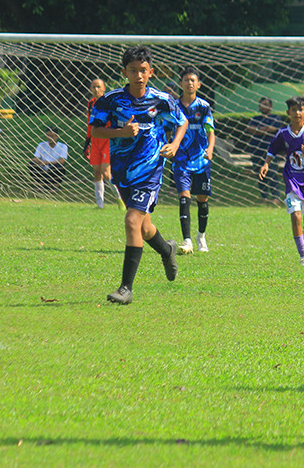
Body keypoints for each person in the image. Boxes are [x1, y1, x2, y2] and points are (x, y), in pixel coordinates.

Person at [89, 46, 188, 305]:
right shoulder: (110, 100)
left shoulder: (161, 99)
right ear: (125, 72)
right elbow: (96, 132)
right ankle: (167, 250)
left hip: (150, 169)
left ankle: (125, 289)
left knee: (132, 221)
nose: (138, 75)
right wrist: (121, 133)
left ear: (151, 72)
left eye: (143, 70)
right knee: (143, 228)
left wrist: (175, 144)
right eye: (133, 70)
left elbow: (182, 121)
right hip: (122, 170)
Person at [258, 96, 304, 266]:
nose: (297, 113)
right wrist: (266, 164)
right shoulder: (283, 133)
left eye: (300, 109)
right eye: (293, 110)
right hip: (292, 179)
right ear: (288, 113)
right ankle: (303, 256)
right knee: (296, 216)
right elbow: (272, 149)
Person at [173, 67, 216, 253]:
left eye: (193, 80)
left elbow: (210, 131)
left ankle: (201, 236)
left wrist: (210, 149)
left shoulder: (203, 106)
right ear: (181, 83)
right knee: (184, 198)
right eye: (186, 80)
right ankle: (187, 241)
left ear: (198, 84)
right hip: (181, 160)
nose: (189, 83)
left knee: (202, 199)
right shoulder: (173, 106)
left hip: (201, 161)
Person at [84, 79, 123, 209]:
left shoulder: (110, 103)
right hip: (95, 141)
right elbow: (91, 124)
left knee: (106, 173)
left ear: (104, 88)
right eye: (94, 87)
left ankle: (120, 198)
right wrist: (87, 142)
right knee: (96, 172)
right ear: (90, 89)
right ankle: (100, 204)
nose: (96, 89)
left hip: (107, 140)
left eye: (98, 87)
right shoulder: (90, 104)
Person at [247, 97, 284, 205]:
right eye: (262, 104)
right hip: (256, 149)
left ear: (270, 106)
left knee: (272, 173)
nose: (264, 106)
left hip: (271, 150)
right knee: (259, 173)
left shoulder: (275, 118)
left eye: (266, 104)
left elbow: (273, 129)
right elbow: (249, 129)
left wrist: (259, 130)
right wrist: (264, 129)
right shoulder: (255, 118)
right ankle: (264, 197)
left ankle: (276, 197)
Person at [29, 126, 68, 192]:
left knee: (60, 166)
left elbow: (62, 161)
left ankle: (55, 187)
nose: (50, 138)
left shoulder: (63, 146)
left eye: (52, 136)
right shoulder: (42, 144)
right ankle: (41, 185)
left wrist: (48, 163)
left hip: (53, 168)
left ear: (56, 136)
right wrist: (38, 161)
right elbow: (35, 158)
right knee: (31, 164)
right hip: (43, 168)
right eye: (48, 136)